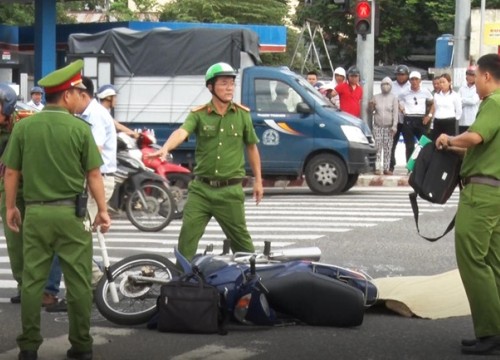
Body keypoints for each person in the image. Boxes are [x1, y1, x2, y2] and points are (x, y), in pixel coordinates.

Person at [2, 59, 111, 360]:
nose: (81, 98)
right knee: (77, 282)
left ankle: (28, 346)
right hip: (71, 216)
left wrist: (11, 207)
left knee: (32, 282)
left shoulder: (25, 126)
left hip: (35, 215)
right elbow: (93, 175)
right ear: (66, 95)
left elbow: (11, 172)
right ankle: (81, 346)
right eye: (77, 92)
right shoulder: (80, 129)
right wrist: (102, 210)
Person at [148, 62, 263, 260]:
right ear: (211, 87)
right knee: (187, 238)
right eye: (224, 83)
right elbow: (182, 132)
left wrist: (259, 181)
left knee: (242, 245)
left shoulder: (242, 114)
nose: (229, 88)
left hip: (230, 191)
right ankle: (182, 282)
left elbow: (252, 147)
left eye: (232, 84)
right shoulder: (199, 114)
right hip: (201, 190)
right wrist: (166, 147)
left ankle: (249, 285)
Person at [434, 53, 500, 355]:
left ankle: (490, 331)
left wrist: (449, 137)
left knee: (472, 260)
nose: (473, 86)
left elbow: (474, 138)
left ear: (487, 76)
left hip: (482, 194)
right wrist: (450, 146)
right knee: (493, 263)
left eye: (476, 79)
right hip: (495, 193)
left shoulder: (495, 103)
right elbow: (479, 151)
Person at [0, 83, 63, 309]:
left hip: (36, 188)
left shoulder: (27, 120)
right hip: (8, 190)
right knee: (16, 244)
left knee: (45, 241)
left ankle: (46, 289)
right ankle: (24, 287)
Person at [79, 77, 117, 289]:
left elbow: (95, 152)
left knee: (78, 234)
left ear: (83, 95)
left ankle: (97, 281)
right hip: (96, 179)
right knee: (79, 233)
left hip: (97, 180)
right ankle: (95, 278)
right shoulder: (89, 112)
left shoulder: (93, 114)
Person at [398, 71, 433, 163]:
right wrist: (402, 109)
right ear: (409, 80)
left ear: (420, 80)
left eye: (416, 79)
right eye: (412, 79)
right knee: (409, 145)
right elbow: (398, 101)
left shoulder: (425, 91)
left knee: (424, 143)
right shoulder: (404, 92)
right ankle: (410, 167)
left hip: (421, 119)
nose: (414, 81)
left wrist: (428, 116)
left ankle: (423, 164)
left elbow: (433, 103)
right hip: (409, 118)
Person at [369, 77, 398, 175]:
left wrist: (394, 126)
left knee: (388, 148)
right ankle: (377, 168)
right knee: (377, 148)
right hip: (378, 126)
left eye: (388, 84)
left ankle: (386, 168)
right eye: (383, 84)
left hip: (389, 127)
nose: (385, 86)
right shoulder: (376, 97)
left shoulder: (394, 98)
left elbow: (395, 113)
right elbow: (371, 111)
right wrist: (371, 105)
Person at [389, 65, 411, 173]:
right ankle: (390, 165)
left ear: (407, 75)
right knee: (392, 143)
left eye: (403, 75)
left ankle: (410, 167)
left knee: (409, 144)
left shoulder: (411, 85)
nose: (401, 77)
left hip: (407, 118)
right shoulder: (391, 86)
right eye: (398, 75)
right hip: (395, 119)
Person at [429, 73, 462, 139]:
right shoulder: (436, 95)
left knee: (448, 142)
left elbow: (459, 110)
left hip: (449, 121)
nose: (441, 84)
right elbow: (435, 108)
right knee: (436, 141)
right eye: (440, 82)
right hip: (438, 120)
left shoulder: (455, 95)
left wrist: (455, 118)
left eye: (444, 82)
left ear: (449, 83)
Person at [458, 66, 480, 134]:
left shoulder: (478, 87)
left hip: (473, 120)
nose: (470, 77)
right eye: (468, 74)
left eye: (472, 75)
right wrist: (465, 100)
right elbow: (457, 101)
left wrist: (462, 99)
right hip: (462, 120)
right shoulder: (462, 88)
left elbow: (473, 101)